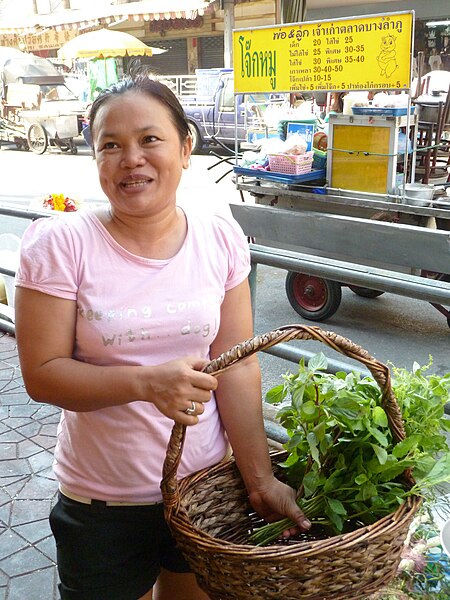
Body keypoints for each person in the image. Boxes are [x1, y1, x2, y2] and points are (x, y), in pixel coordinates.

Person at [14, 72, 310, 600]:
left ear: (186, 147)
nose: (132, 158)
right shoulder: (62, 244)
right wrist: (148, 383)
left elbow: (237, 364)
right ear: (96, 159)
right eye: (111, 145)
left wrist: (260, 479)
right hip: (102, 502)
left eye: (150, 139)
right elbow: (43, 376)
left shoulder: (218, 237)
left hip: (202, 489)